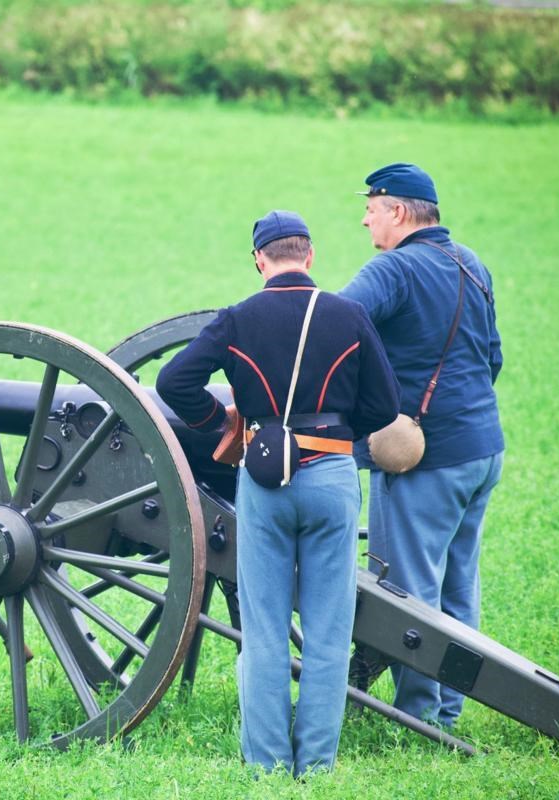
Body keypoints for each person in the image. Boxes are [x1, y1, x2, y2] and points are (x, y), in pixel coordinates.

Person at [157, 211, 398, 776]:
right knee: (328, 631)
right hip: (333, 475)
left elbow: (174, 382)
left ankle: (265, 764)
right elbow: (384, 407)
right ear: (310, 256)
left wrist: (222, 420)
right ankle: (315, 765)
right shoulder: (348, 314)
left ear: (260, 260)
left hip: (264, 480)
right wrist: (336, 434)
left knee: (263, 630)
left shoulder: (237, 319)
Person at [340, 163, 504, 728]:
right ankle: (449, 711)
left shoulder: (393, 270)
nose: (365, 220)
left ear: (399, 212)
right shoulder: (471, 264)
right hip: (482, 449)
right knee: (457, 588)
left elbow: (334, 328)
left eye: (371, 208)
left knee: (408, 597)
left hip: (423, 458)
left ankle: (417, 718)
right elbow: (493, 357)